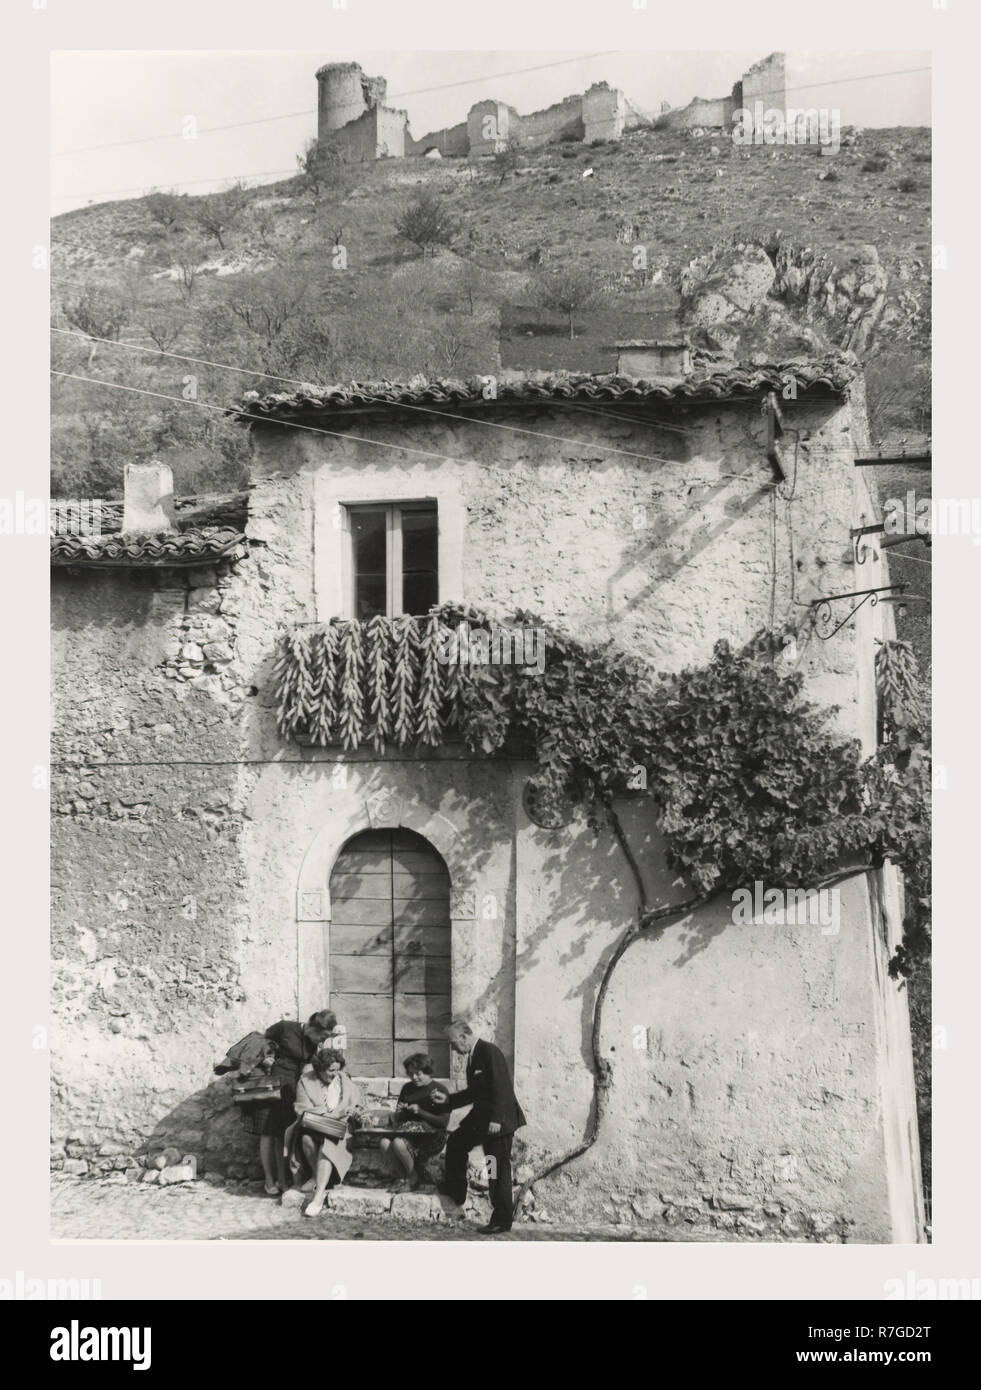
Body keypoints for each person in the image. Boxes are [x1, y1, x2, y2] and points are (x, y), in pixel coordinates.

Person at [439, 1019, 526, 1235]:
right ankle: (456, 1191)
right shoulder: (473, 1056)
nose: (452, 1048)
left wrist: (496, 1119)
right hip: (483, 1120)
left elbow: (501, 1087)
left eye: (452, 1043)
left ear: (463, 1037)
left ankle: (502, 1220)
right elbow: (473, 1093)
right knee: (457, 1142)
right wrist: (447, 1100)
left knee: (496, 1167)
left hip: (499, 1122)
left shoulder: (489, 1052)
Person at [239, 1010, 338, 1195]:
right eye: (322, 1036)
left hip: (291, 1090)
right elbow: (258, 1041)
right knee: (267, 1133)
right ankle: (269, 1180)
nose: (322, 1041)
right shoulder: (285, 1028)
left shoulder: (311, 1043)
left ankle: (283, 1179)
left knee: (281, 1135)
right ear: (313, 1028)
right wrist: (265, 1059)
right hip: (270, 1086)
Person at [284, 1048, 363, 1217]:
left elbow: (356, 1103)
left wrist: (352, 1111)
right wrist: (334, 1114)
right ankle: (316, 1175)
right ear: (319, 1069)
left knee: (328, 1143)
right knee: (305, 1139)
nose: (335, 1074)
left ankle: (318, 1195)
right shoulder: (306, 1081)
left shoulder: (343, 1080)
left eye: (337, 1069)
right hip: (313, 1124)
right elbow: (303, 1109)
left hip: (340, 1128)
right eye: (330, 1070)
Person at [381, 1053, 450, 1192]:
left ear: (428, 1071)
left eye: (418, 1074)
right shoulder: (407, 1088)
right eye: (411, 1074)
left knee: (398, 1143)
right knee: (384, 1143)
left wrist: (421, 1112)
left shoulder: (440, 1090)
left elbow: (443, 1122)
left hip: (433, 1136)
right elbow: (400, 1118)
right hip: (410, 1133)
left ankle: (413, 1179)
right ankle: (403, 1177)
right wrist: (400, 1113)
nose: (414, 1078)